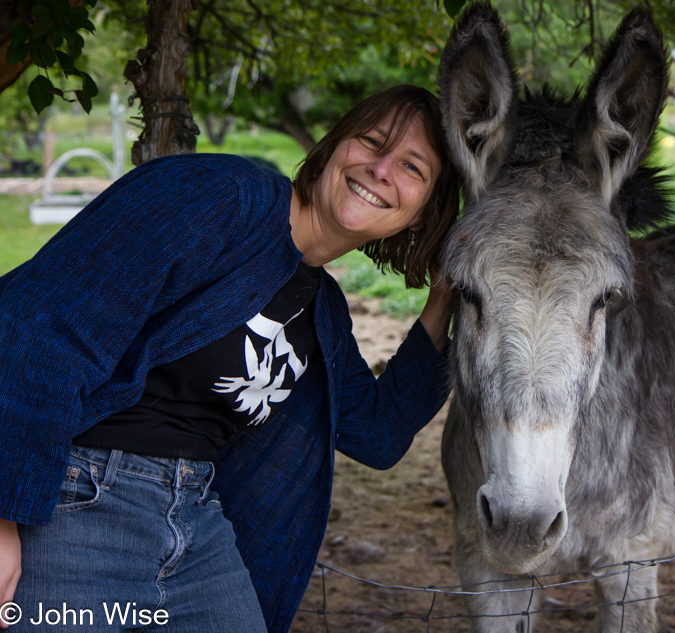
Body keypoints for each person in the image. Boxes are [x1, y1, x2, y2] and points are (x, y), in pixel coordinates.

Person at [0, 84, 460, 633]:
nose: (382, 169)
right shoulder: (221, 196)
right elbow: (41, 325)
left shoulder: (324, 312)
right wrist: (5, 514)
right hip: (76, 503)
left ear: (421, 216)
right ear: (334, 146)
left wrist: (444, 298)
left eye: (413, 167)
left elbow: (378, 433)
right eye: (372, 141)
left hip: (196, 525)